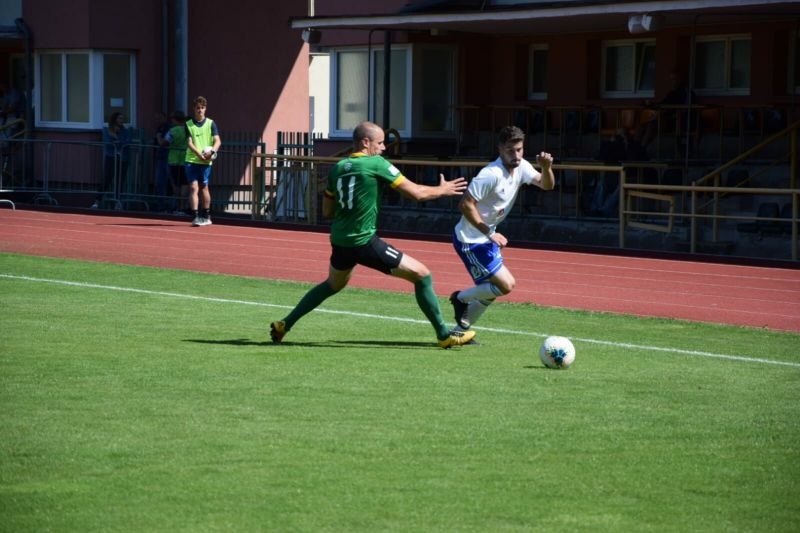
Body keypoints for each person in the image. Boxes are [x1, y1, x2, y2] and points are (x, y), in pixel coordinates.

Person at [270, 121, 476, 349]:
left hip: (340, 240)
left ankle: (284, 324)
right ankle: (444, 335)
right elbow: (416, 193)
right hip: (362, 240)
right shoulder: (376, 164)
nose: (384, 147)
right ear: (365, 142)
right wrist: (443, 190)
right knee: (422, 275)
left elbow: (327, 211)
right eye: (380, 143)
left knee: (332, 285)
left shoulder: (337, 168)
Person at [448, 126, 554, 336]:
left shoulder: (522, 166)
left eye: (519, 149)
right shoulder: (490, 174)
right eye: (510, 150)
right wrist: (489, 232)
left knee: (492, 290)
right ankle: (459, 298)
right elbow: (465, 205)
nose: (516, 155)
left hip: (487, 237)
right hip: (470, 240)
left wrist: (546, 168)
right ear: (500, 149)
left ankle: (459, 333)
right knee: (506, 285)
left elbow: (547, 185)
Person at [184, 96, 221, 226]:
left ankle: (206, 214)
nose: (200, 110)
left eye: (202, 108)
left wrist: (212, 152)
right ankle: (195, 216)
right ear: (194, 109)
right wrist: (199, 153)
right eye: (198, 108)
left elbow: (217, 141)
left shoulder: (211, 123)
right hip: (192, 160)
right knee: (194, 187)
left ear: (206, 109)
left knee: (204, 187)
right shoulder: (188, 124)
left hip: (205, 161)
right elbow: (189, 143)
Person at [93, 112, 131, 209]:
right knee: (107, 178)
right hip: (111, 157)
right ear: (115, 119)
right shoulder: (107, 130)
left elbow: (127, 143)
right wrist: (118, 142)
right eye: (119, 118)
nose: (121, 121)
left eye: (122, 119)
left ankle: (118, 202)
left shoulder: (125, 131)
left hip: (123, 158)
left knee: (120, 180)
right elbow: (108, 143)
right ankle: (97, 201)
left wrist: (116, 139)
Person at [164, 110, 188, 215]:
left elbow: (164, 143)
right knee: (184, 185)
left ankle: (175, 208)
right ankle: (181, 208)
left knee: (175, 186)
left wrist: (159, 138)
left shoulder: (172, 131)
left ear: (174, 119)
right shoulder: (189, 131)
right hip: (186, 161)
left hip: (173, 161)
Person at [153, 111, 171, 211]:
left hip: (168, 158)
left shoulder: (168, 128)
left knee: (169, 183)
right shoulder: (159, 128)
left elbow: (162, 143)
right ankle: (160, 204)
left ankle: (167, 205)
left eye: (159, 118)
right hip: (160, 158)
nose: (157, 120)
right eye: (156, 118)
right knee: (159, 183)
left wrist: (159, 136)